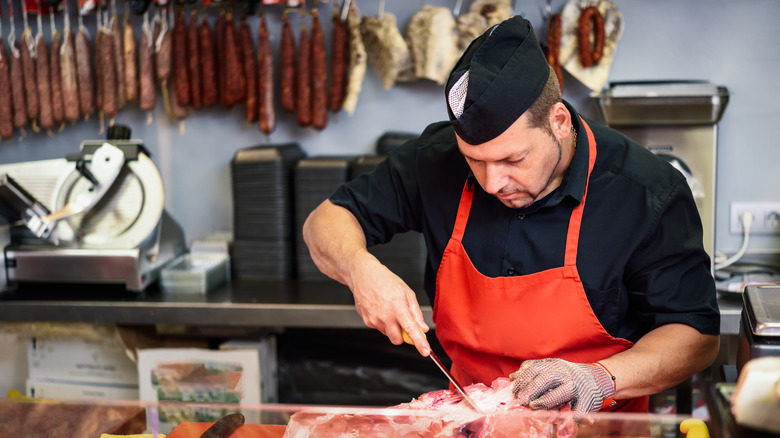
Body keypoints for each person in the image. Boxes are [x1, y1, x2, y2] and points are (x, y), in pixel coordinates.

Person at [303, 14, 720, 415]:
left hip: (598, 427)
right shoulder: (436, 160)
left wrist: (598, 379)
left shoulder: (645, 192)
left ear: (558, 121)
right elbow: (326, 220)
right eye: (475, 161)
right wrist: (360, 270)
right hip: (473, 421)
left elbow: (696, 336)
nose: (491, 183)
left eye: (512, 159)